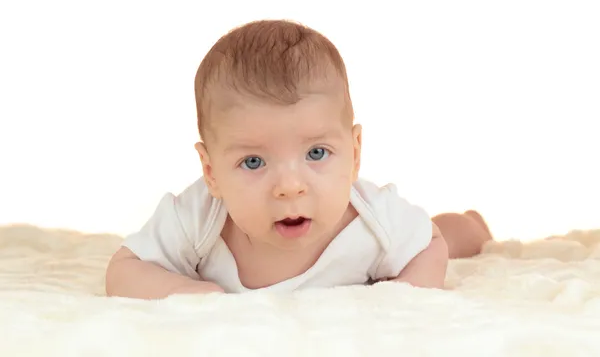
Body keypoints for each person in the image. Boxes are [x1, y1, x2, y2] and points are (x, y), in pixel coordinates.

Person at [105, 19, 493, 299]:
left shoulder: (375, 221)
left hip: (420, 236)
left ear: (354, 154)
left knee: (446, 232)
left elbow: (430, 246)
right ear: (211, 172)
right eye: (254, 162)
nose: (290, 186)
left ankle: (472, 224)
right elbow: (123, 271)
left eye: (316, 153)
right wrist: (193, 294)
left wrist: (402, 299)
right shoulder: (198, 220)